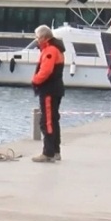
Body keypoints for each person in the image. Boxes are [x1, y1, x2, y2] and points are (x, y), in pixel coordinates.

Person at [31, 25, 66, 162]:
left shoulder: (50, 50)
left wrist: (35, 80)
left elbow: (46, 71)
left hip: (49, 90)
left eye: (38, 37)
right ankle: (55, 151)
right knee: (53, 120)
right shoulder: (54, 49)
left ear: (44, 38)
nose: (37, 40)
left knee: (48, 122)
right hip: (54, 89)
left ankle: (48, 152)